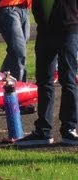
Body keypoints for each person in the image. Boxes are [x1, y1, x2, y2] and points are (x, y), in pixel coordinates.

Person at [15, 0, 78, 146]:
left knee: (68, 79)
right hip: (45, 30)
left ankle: (69, 128)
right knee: (44, 81)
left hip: (68, 27)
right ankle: (43, 131)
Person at [0, 0, 36, 114]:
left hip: (24, 8)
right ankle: (17, 98)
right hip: (7, 9)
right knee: (19, 53)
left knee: (16, 52)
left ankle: (3, 89)